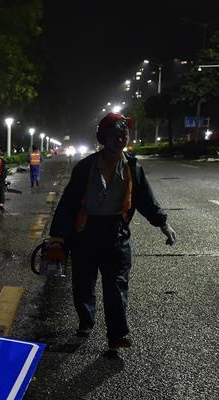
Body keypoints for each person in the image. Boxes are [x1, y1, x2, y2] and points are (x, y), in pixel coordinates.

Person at [48, 112, 176, 350]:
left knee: (116, 284)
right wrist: (57, 237)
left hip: (116, 232)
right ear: (103, 137)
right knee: (83, 283)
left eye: (123, 134)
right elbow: (68, 203)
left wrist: (163, 223)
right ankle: (86, 322)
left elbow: (146, 199)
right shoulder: (86, 167)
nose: (120, 139)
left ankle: (117, 334)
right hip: (85, 232)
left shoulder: (133, 167)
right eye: (114, 134)